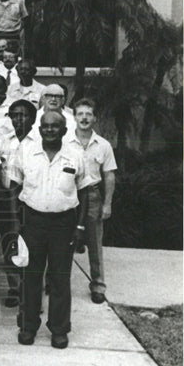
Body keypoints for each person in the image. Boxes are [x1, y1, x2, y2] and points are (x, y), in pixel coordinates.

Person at [7, 111, 92, 349]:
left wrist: (80, 226)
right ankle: (28, 325)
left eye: (55, 126)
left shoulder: (75, 154)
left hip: (63, 224)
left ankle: (59, 329)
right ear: (39, 128)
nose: (50, 130)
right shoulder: (26, 151)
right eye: (45, 126)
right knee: (30, 276)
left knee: (59, 278)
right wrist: (15, 223)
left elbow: (84, 191)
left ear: (64, 131)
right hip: (32, 222)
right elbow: (14, 188)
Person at [67, 99, 117, 304]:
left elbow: (110, 176)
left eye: (88, 114)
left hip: (93, 195)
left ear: (94, 118)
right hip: (69, 194)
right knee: (63, 241)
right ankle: (56, 283)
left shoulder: (103, 145)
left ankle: (98, 285)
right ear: (74, 117)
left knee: (95, 243)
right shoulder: (65, 142)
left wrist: (107, 203)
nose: (84, 118)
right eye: (80, 114)